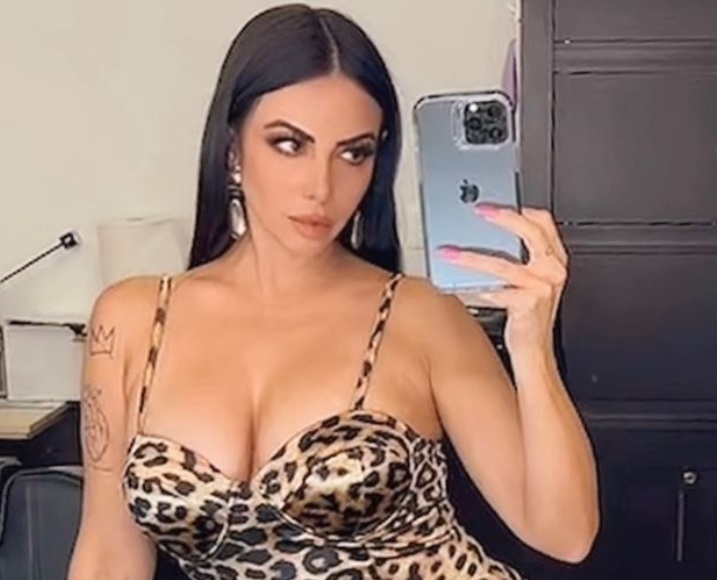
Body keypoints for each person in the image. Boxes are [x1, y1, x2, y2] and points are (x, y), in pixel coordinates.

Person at [67, 4, 599, 579]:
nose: (321, 186)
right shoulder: (131, 320)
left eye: (353, 153)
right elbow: (108, 552)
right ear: (232, 150)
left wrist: (532, 346)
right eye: (289, 144)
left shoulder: (422, 317)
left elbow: (564, 535)